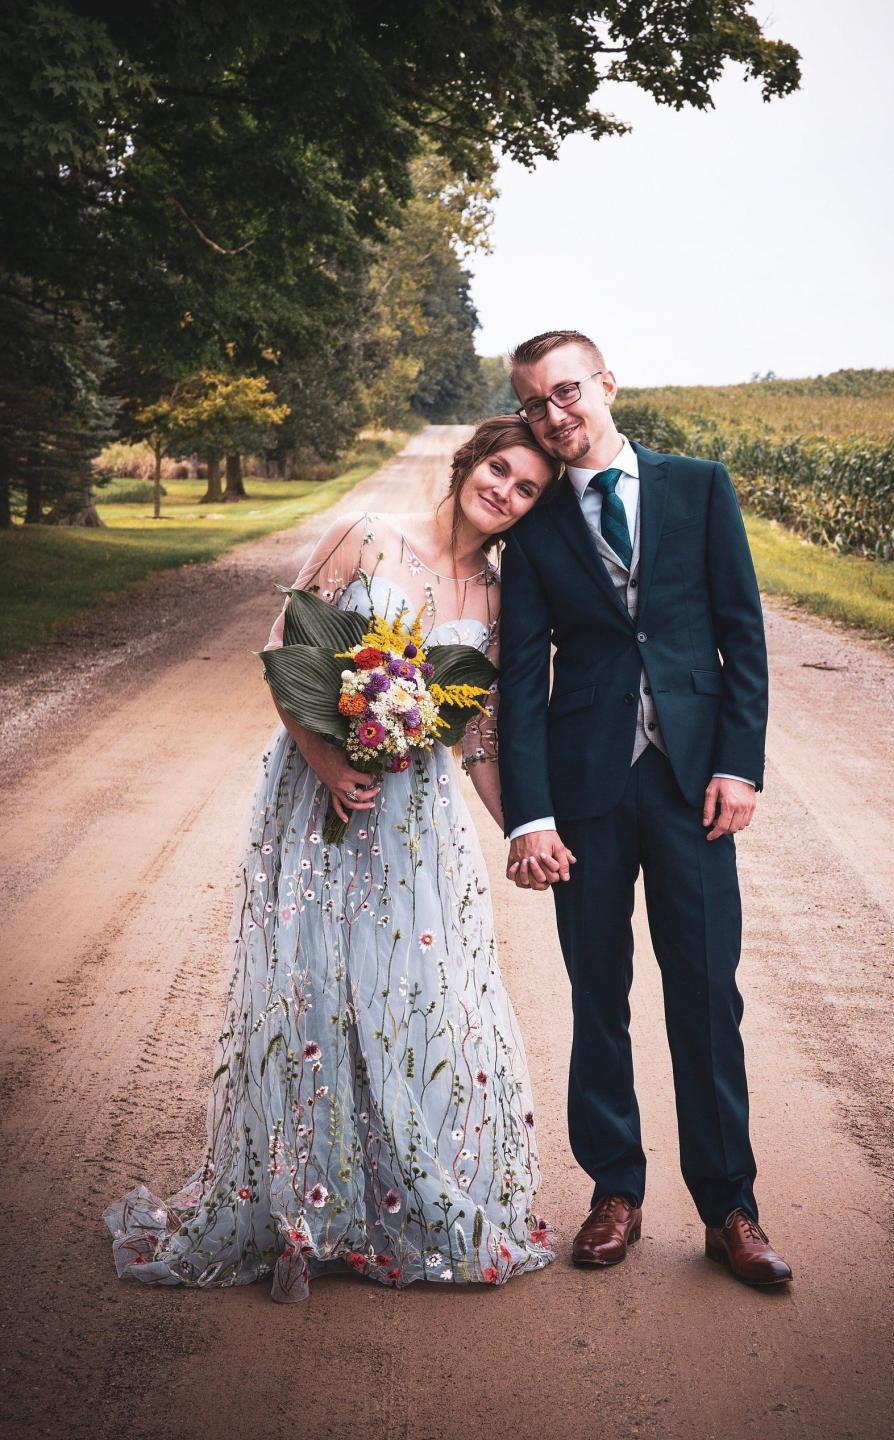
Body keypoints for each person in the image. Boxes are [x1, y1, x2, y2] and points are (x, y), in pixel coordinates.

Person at [103, 417, 561, 1302]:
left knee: (412, 995)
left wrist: (521, 830)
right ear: (471, 462)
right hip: (315, 799)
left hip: (414, 821)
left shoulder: (495, 598)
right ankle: (301, 1205)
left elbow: (476, 740)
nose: (504, 490)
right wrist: (327, 762)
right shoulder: (367, 537)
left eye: (527, 488)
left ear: (532, 508)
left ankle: (397, 1200)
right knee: (311, 983)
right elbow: (284, 650)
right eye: (499, 468)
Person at [497, 330, 792, 1286]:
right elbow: (520, 679)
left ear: (607, 384)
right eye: (537, 403)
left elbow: (742, 637)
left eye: (567, 392)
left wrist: (740, 766)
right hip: (586, 792)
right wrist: (529, 814)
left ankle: (729, 1206)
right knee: (598, 994)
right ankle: (614, 1190)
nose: (556, 415)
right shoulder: (535, 526)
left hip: (692, 783)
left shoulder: (699, 487)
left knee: (707, 994)